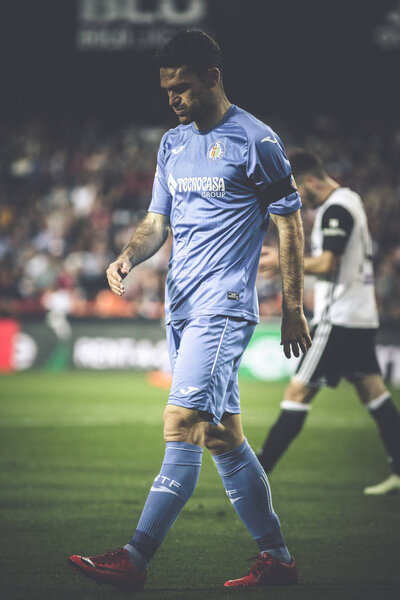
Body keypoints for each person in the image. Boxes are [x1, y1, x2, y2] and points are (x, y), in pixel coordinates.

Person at [68, 30, 311, 591]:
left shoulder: (257, 140)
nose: (173, 99)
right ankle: (277, 558)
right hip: (180, 308)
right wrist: (129, 255)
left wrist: (293, 306)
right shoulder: (173, 144)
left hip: (223, 309)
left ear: (212, 77)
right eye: (166, 90)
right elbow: (159, 221)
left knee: (180, 423)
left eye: (181, 88)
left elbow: (290, 220)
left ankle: (134, 558)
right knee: (223, 436)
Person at [257, 149, 400, 496]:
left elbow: (328, 264)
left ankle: (255, 476)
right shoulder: (348, 201)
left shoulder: (335, 208)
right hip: (360, 316)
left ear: (309, 181)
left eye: (295, 188)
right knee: (374, 394)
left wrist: (286, 259)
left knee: (297, 391)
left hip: (338, 319)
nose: (294, 196)